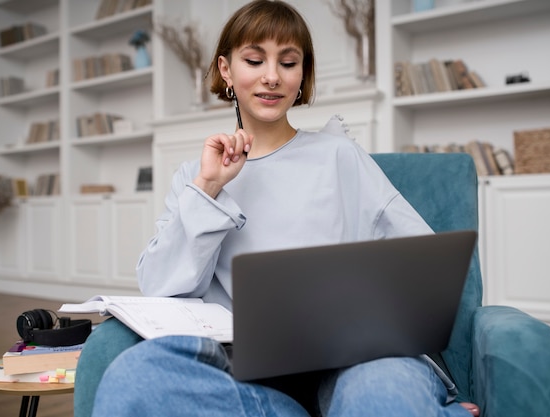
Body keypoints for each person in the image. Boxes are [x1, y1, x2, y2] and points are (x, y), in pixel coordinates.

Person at [89, 1, 479, 416]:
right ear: (226, 70)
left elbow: (425, 264)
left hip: (361, 362)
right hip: (255, 382)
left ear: (302, 75)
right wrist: (208, 189)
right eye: (254, 60)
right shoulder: (195, 176)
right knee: (133, 376)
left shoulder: (340, 156)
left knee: (379, 395)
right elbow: (161, 287)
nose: (272, 77)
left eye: (288, 63)